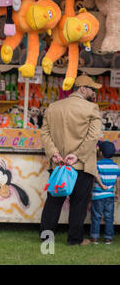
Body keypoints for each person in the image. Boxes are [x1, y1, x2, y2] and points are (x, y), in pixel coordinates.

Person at [40, 74, 102, 246]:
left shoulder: (53, 107)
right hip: (81, 165)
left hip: (59, 164)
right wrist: (79, 155)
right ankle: (75, 239)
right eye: (91, 88)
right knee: (79, 204)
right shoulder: (92, 108)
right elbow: (93, 136)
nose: (93, 92)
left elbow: (45, 133)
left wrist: (53, 153)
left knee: (53, 201)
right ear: (82, 88)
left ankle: (46, 237)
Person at [89, 141, 120, 245]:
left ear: (100, 153)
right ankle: (108, 238)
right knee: (109, 217)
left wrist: (90, 192)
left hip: (98, 196)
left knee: (96, 217)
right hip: (110, 196)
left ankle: (94, 237)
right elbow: (118, 181)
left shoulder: (97, 165)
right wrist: (117, 193)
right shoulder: (116, 167)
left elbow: (94, 179)